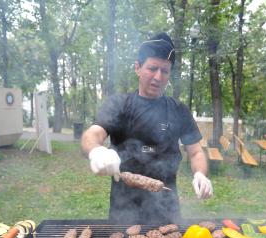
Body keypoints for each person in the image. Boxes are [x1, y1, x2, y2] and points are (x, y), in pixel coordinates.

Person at [81, 32, 213, 225]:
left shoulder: (179, 110)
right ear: (137, 68)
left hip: (167, 206)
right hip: (123, 206)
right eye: (152, 68)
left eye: (165, 71)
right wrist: (96, 150)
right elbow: (92, 134)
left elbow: (195, 153)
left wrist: (200, 174)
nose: (158, 77)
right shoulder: (120, 104)